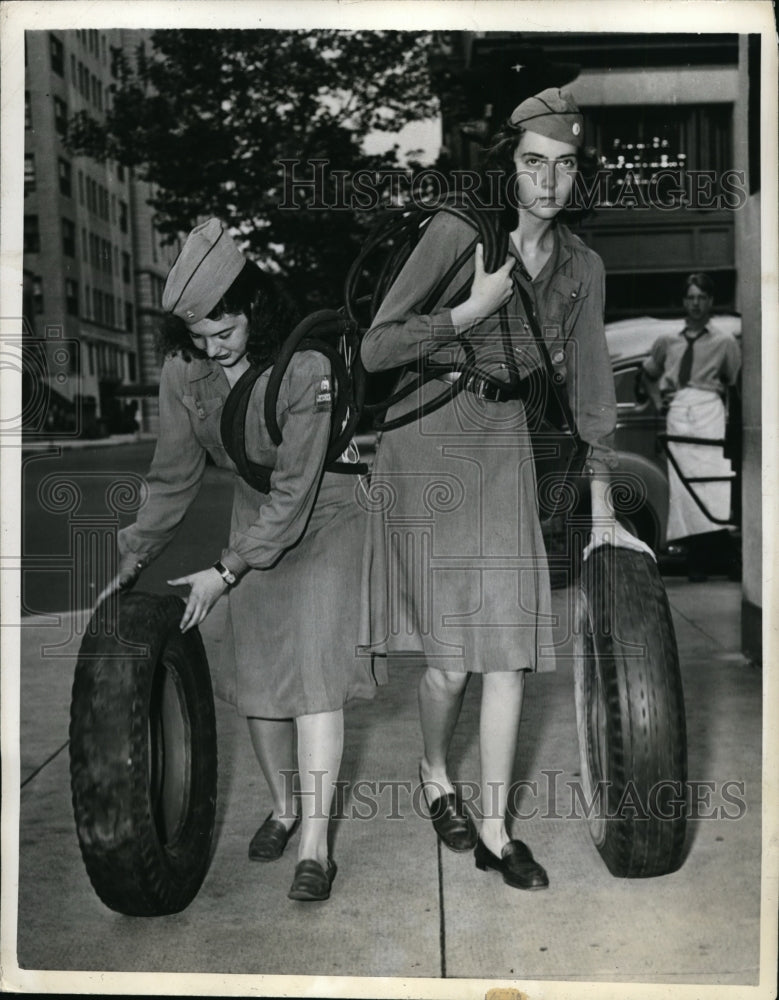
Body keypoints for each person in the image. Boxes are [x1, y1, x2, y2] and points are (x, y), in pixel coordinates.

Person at [359, 88, 650, 890]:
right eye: (532, 164)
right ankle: (431, 775)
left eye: (563, 165)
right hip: (427, 442)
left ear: (576, 172)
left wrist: (601, 513)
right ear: (509, 168)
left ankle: (494, 832)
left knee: (510, 657)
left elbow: (592, 389)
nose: (548, 182)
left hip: (503, 442)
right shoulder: (460, 234)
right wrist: (466, 312)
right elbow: (377, 348)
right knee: (452, 665)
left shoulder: (583, 267)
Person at [98, 218, 382, 902]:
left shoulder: (305, 367)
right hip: (255, 519)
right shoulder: (183, 373)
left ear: (253, 306)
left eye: (225, 332)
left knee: (314, 680)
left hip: (324, 517)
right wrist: (134, 554)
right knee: (257, 682)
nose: (215, 349)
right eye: (199, 339)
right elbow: (172, 475)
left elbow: (295, 490)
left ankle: (315, 844)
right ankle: (283, 808)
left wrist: (228, 570)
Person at [640, 273, 741, 580]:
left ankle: (715, 557)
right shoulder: (667, 341)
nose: (696, 304)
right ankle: (699, 559)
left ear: (710, 301)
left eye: (702, 298)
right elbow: (648, 374)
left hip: (709, 414)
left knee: (712, 485)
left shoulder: (724, 341)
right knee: (685, 488)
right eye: (691, 297)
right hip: (678, 415)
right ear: (684, 301)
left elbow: (735, 383)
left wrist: (728, 417)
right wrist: (658, 402)